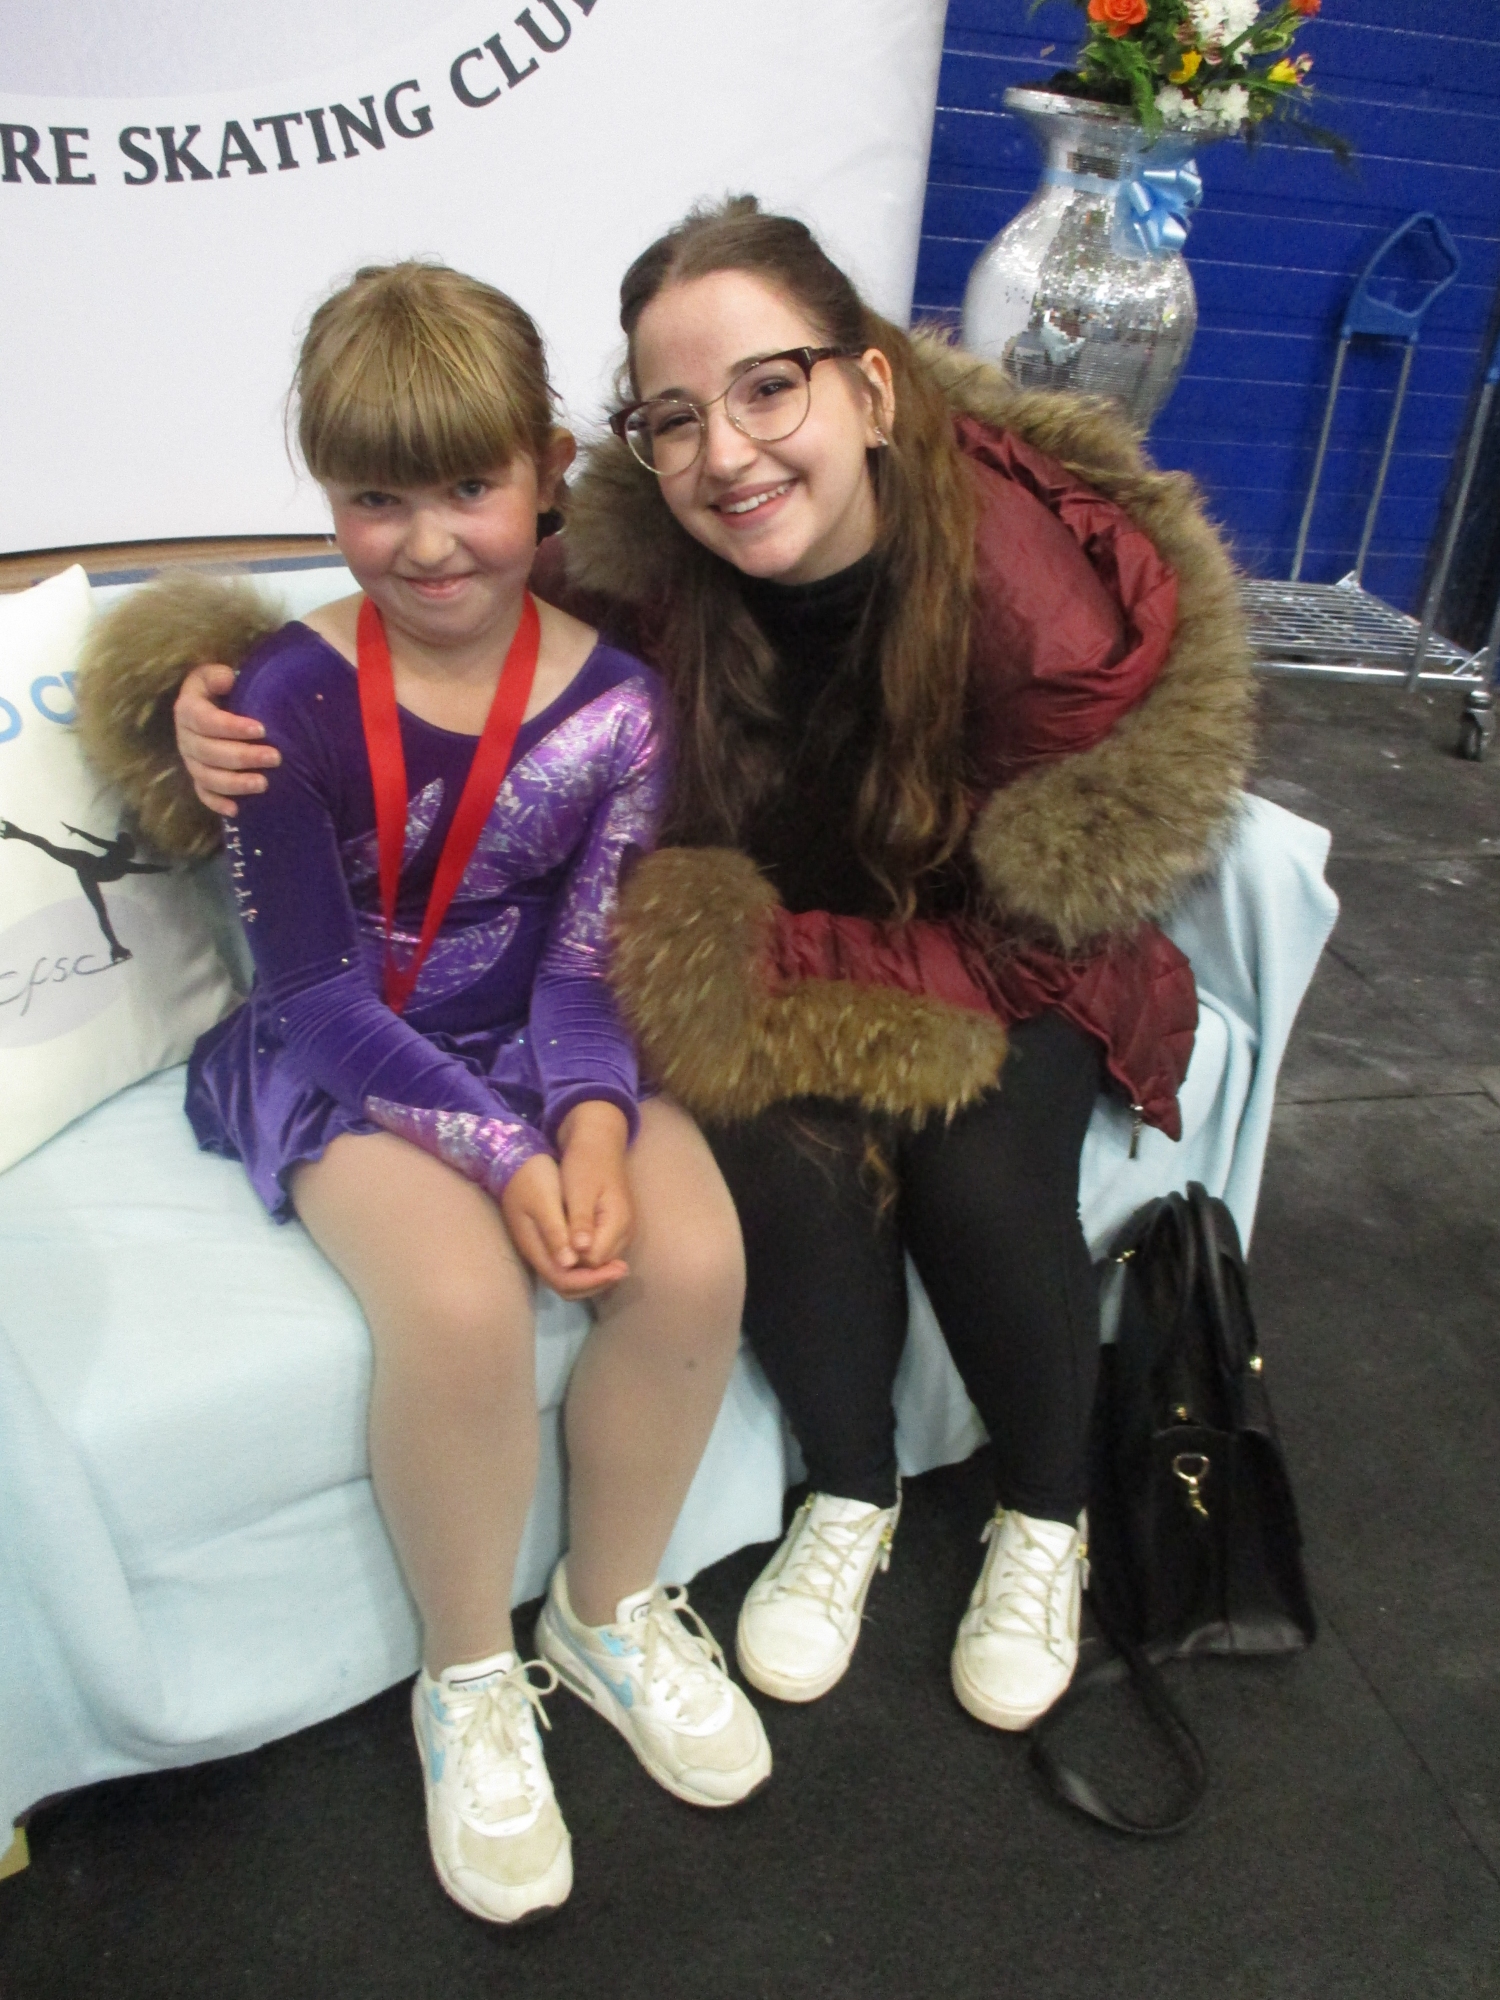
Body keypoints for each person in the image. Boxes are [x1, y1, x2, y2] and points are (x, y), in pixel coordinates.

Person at [162, 200, 1252, 1740]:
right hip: (770, 928)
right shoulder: (653, 563)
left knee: (973, 1173)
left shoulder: (1030, 610)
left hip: (1016, 947)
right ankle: (849, 1492)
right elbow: (452, 630)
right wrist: (207, 691)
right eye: (673, 418)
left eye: (767, 388)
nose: (725, 453)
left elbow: (1048, 901)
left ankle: (1044, 1517)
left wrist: (740, 961)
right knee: (759, 1142)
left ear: (870, 388)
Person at [84, 262, 769, 1929]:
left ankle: (606, 1612)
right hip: (348, 1062)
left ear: (545, 471)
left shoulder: (619, 703)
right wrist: (497, 1154)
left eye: (469, 487)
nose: (430, 541)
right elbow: (311, 992)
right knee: (459, 1301)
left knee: (692, 1257)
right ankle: (466, 1676)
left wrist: (589, 1125)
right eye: (374, 499)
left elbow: (584, 968)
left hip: (540, 1038)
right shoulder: (281, 706)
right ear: (325, 497)